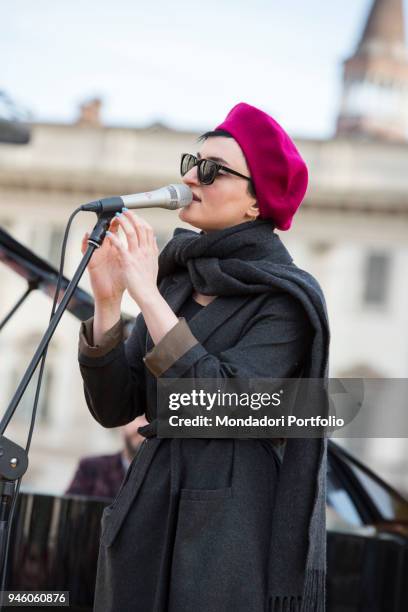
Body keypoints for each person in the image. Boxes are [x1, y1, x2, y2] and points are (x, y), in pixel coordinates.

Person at [77, 102, 330, 612]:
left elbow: (222, 401)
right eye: (193, 161)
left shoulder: (285, 299)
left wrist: (145, 296)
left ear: (257, 203)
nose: (192, 177)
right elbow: (114, 407)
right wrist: (108, 304)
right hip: (148, 509)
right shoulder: (177, 279)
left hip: (227, 534)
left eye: (212, 170)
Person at [65, 415, 148, 499]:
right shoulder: (91, 468)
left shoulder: (160, 477)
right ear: (122, 425)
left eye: (152, 419)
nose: (146, 425)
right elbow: (70, 508)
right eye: (142, 417)